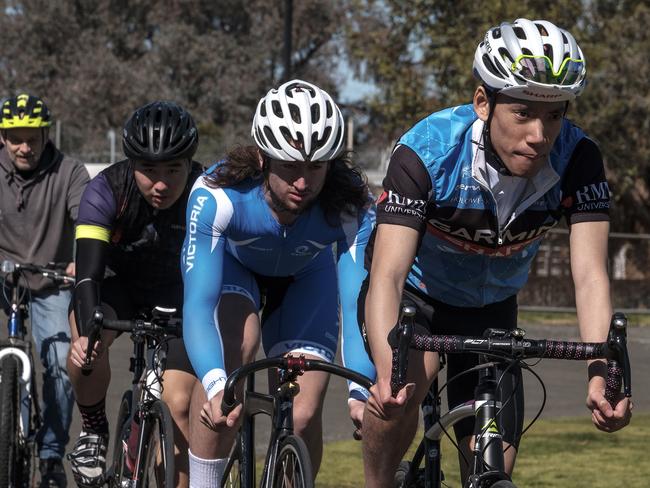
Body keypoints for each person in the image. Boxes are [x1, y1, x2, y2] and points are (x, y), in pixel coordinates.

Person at [358, 18, 634, 487]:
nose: (540, 135)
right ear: (483, 103)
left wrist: (601, 375)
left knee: (493, 466)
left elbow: (590, 277)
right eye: (523, 113)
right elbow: (387, 275)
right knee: (402, 391)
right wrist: (389, 371)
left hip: (492, 308)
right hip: (417, 299)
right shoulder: (426, 151)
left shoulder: (578, 158)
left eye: (554, 114)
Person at [182, 79, 375, 486]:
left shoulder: (349, 203)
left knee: (303, 415)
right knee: (235, 355)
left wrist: (361, 389)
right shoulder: (218, 194)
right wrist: (216, 383)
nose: (303, 183)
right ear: (262, 158)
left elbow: (359, 296)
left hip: (307, 277)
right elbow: (199, 304)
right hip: (238, 273)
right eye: (289, 167)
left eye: (316, 167)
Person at [66, 101, 202, 488]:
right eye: (148, 170)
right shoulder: (106, 189)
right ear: (131, 165)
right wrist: (87, 334)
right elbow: (87, 276)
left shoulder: (205, 190)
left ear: (189, 164)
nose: (160, 184)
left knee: (175, 403)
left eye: (173, 169)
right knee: (83, 350)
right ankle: (93, 430)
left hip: (179, 293)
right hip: (117, 285)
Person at [0, 93, 89, 488]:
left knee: (60, 360)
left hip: (51, 280)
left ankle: (51, 455)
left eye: (32, 137)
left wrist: (81, 259)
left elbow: (87, 218)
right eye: (15, 137)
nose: (24, 146)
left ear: (44, 134)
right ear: (3, 137)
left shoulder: (68, 172)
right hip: (3, 281)